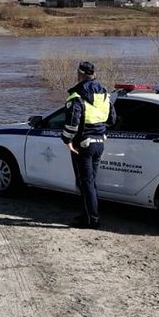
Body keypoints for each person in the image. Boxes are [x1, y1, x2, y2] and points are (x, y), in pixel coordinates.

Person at [62, 61, 116, 229]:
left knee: (85, 183)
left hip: (83, 144)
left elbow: (72, 122)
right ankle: (87, 215)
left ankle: (92, 220)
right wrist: (100, 130)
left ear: (79, 74)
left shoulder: (76, 95)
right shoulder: (105, 93)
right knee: (90, 182)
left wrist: (67, 140)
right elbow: (112, 119)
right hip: (99, 142)